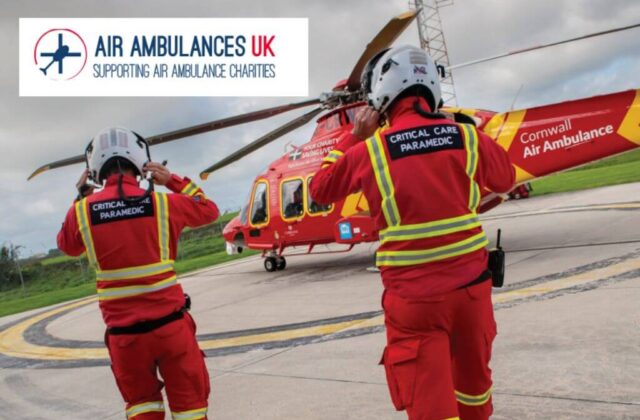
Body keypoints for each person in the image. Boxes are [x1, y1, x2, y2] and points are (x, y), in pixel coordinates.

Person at [310, 45, 515, 419]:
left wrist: (354, 137)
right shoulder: (466, 137)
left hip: (415, 303)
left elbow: (320, 188)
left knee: (432, 408)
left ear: (381, 93)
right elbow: (505, 177)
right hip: (472, 294)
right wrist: (459, 127)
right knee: (474, 395)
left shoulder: (370, 152)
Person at [57, 127, 219, 420]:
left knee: (143, 409)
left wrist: (79, 199)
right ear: (140, 160)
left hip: (125, 339)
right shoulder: (162, 203)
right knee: (191, 410)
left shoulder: (81, 212)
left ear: (93, 170)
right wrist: (173, 181)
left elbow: (67, 246)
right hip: (172, 330)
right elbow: (208, 210)